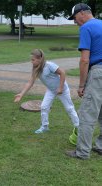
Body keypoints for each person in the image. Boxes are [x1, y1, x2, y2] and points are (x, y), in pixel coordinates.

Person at [66, 3, 102, 159]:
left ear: (82, 13)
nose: (75, 22)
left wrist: (81, 85)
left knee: (87, 114)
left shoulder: (86, 27)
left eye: (74, 18)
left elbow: (84, 60)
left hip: (98, 72)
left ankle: (82, 152)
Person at [14, 49, 79, 134]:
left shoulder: (49, 65)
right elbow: (30, 82)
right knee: (44, 107)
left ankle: (78, 127)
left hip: (62, 89)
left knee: (69, 108)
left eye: (33, 60)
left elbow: (62, 73)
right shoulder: (35, 68)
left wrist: (60, 87)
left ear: (40, 59)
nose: (31, 62)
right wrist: (21, 94)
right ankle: (45, 127)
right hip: (51, 90)